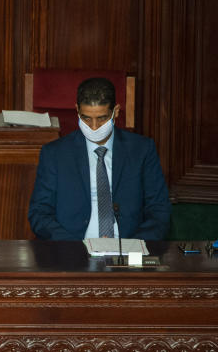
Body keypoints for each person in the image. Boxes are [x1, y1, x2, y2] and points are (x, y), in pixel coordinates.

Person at [28, 77, 170, 240]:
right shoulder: (55, 154)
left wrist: (134, 247)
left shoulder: (142, 150)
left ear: (115, 112)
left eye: (102, 118)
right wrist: (75, 246)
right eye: (87, 118)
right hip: (73, 252)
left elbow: (159, 210)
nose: (94, 127)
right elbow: (39, 213)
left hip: (127, 251)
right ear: (77, 111)